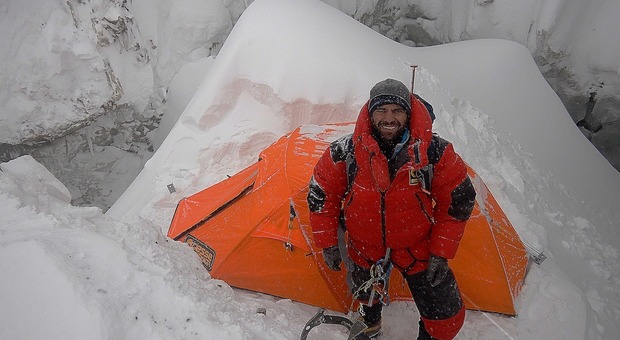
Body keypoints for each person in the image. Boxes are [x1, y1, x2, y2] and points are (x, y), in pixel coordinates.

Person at [307, 79, 476, 339]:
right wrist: (328, 243)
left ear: (408, 114)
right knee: (365, 294)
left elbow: (458, 201)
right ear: (370, 113)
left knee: (445, 313)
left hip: (416, 243)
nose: (389, 118)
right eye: (381, 110)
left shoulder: (434, 151)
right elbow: (321, 195)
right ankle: (370, 325)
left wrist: (441, 253)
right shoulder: (347, 151)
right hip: (364, 244)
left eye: (397, 111)